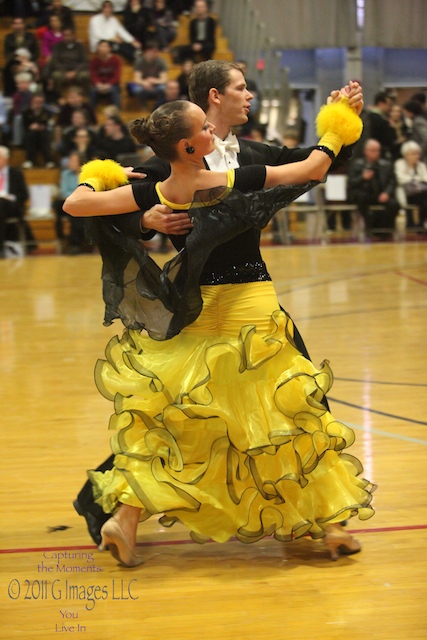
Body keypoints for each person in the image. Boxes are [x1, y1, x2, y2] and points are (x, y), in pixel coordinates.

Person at [64, 96, 373, 567]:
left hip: (199, 308)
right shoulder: (224, 181)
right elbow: (311, 169)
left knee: (179, 420)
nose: (213, 133)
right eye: (205, 130)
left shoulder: (156, 191)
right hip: (249, 304)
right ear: (189, 147)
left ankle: (123, 520)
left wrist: (100, 173)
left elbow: (75, 203)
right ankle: (330, 526)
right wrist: (338, 124)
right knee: (288, 419)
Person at [347, 138, 399, 237]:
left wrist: (387, 193)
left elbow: (392, 181)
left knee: (394, 204)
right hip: (364, 194)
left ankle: (386, 230)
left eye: (378, 150)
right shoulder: (357, 164)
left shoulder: (386, 164)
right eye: (373, 150)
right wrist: (363, 178)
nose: (377, 153)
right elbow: (351, 183)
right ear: (366, 151)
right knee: (362, 198)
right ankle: (369, 228)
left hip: (381, 193)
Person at [0, 145, 36, 256]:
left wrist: (10, 197)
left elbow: (23, 195)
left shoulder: (16, 173)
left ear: (5, 159)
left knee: (1, 202)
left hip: (12, 205)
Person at [53, 150, 87, 254]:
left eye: (72, 161)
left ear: (80, 162)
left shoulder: (87, 174)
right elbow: (64, 192)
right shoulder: (65, 174)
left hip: (85, 203)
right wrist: (77, 197)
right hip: (70, 202)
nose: (70, 163)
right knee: (57, 204)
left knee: (77, 212)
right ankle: (63, 237)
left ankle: (76, 243)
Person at [394, 140, 427, 229]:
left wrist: (414, 181)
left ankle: (420, 224)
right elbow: (401, 179)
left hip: (421, 193)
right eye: (413, 154)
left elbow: (425, 179)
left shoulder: (421, 166)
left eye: (417, 154)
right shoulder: (399, 164)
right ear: (406, 155)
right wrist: (416, 180)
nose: (417, 156)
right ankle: (420, 224)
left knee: (425, 202)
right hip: (407, 194)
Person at [126, 40, 168, 108]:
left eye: (157, 51)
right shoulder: (139, 62)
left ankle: (157, 106)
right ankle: (143, 107)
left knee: (164, 88)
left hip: (156, 85)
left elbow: (164, 79)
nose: (156, 54)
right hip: (143, 85)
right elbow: (137, 79)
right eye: (154, 51)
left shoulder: (161, 61)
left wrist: (153, 81)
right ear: (147, 51)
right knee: (137, 90)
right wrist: (145, 83)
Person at [48, 27, 90, 94]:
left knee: (85, 75)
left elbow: (85, 61)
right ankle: (59, 97)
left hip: (77, 70)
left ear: (73, 36)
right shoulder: (58, 46)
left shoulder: (80, 46)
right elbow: (55, 61)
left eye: (69, 35)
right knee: (56, 75)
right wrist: (64, 72)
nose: (67, 37)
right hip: (62, 70)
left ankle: (85, 96)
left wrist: (75, 72)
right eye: (65, 35)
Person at [89, 40, 122, 110]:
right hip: (98, 85)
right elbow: (93, 75)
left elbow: (117, 76)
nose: (103, 48)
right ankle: (91, 113)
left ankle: (118, 113)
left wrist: (109, 85)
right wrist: (98, 84)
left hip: (112, 85)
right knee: (93, 91)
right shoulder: (94, 61)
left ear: (109, 48)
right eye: (101, 46)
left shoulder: (116, 60)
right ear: (98, 48)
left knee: (114, 91)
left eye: (105, 46)